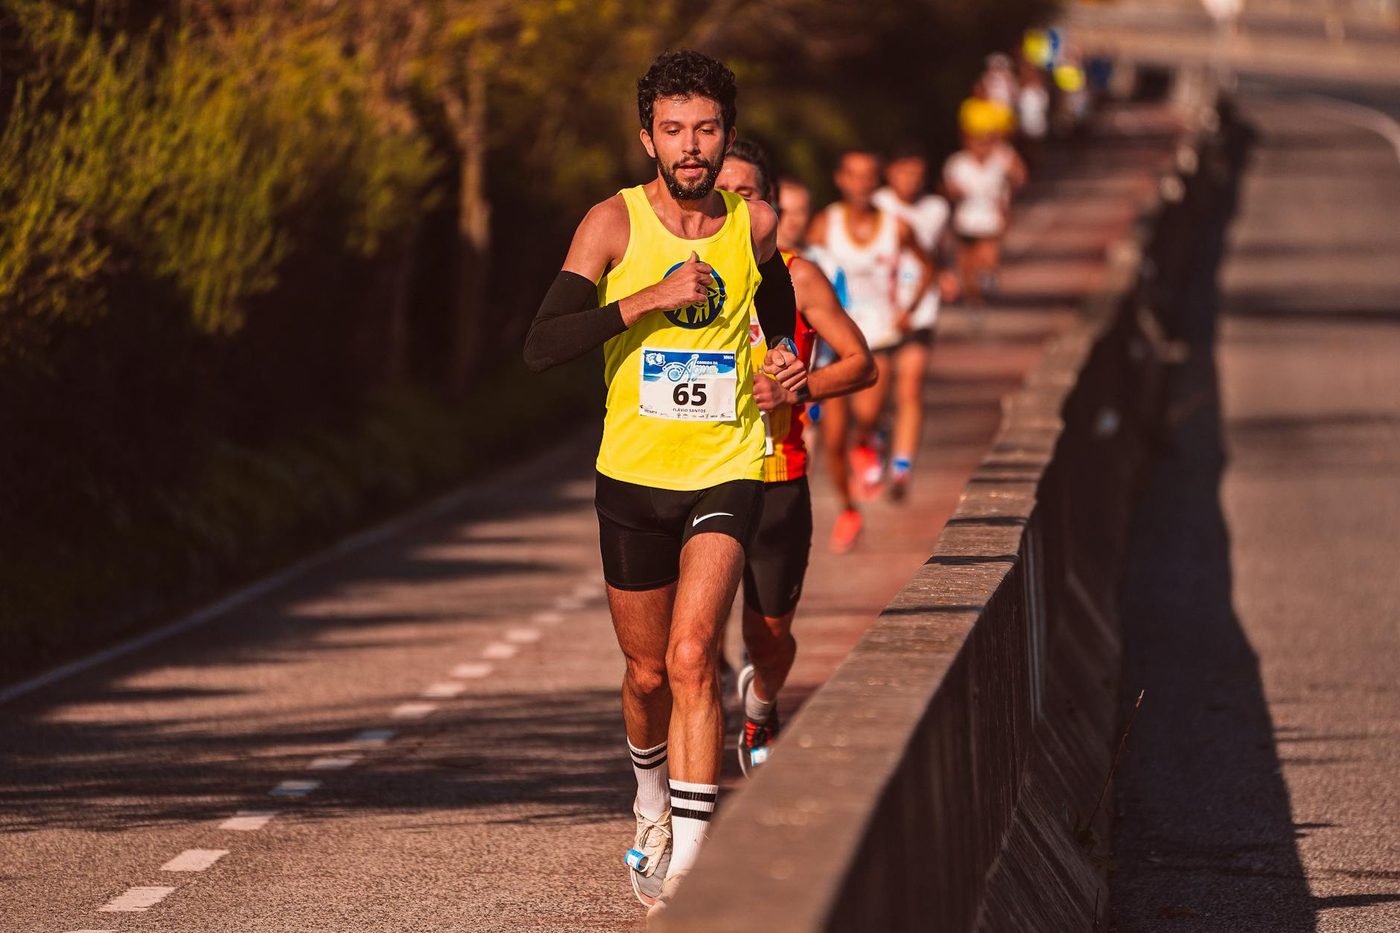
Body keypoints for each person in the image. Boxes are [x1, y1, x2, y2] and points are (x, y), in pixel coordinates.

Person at [521, 50, 807, 916]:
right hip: (632, 477)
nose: (691, 146)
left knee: (693, 658)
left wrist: (784, 366)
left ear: (725, 136)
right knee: (646, 673)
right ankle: (650, 803)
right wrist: (642, 299)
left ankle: (689, 867)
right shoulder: (611, 224)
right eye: (674, 130)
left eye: (707, 129)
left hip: (725, 464)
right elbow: (542, 344)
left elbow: (778, 309)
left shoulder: (750, 226)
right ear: (647, 136)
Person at [715, 139, 875, 775]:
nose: (731, 203)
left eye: (746, 193)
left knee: (769, 638)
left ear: (771, 206)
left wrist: (796, 385)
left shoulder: (797, 274)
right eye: (720, 192)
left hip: (777, 476)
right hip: (695, 476)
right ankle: (677, 789)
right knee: (687, 643)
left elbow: (863, 363)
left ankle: (760, 704)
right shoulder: (677, 274)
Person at [807, 149, 933, 551]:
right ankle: (847, 509)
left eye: (868, 176)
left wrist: (909, 309)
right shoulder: (826, 223)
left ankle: (870, 438)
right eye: (853, 175)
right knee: (833, 434)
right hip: (833, 338)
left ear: (876, 181)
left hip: (878, 335)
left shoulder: (895, 225)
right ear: (840, 179)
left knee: (867, 412)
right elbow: (798, 267)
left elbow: (928, 265)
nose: (861, 183)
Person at [872, 146, 959, 500]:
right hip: (878, 311)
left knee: (910, 386)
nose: (910, 180)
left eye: (917, 173)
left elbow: (940, 250)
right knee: (874, 395)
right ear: (889, 173)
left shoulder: (936, 208)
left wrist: (947, 273)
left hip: (920, 309)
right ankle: (874, 439)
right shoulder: (877, 205)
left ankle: (902, 465)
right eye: (903, 172)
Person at [943, 120, 1027, 315]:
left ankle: (988, 280)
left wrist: (1006, 214)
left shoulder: (999, 161)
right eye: (976, 141)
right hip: (965, 222)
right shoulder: (957, 163)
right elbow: (947, 190)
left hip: (990, 222)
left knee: (987, 259)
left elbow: (1018, 179)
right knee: (967, 269)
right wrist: (954, 193)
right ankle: (975, 302)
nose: (981, 146)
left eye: (985, 141)